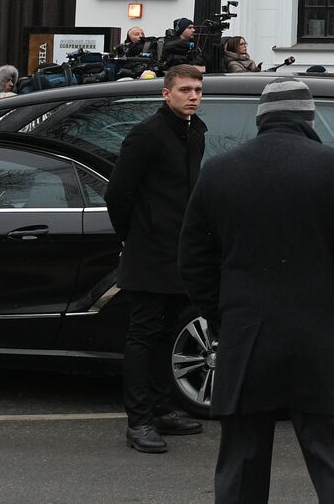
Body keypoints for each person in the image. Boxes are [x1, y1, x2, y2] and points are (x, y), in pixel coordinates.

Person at [179, 79, 334, 504]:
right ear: (309, 118)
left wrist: (222, 315)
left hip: (245, 334)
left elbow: (193, 259)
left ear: (261, 118)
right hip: (318, 333)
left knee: (241, 463)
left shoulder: (219, 170)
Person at [105, 64, 208, 454]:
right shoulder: (146, 134)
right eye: (185, 89)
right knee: (144, 335)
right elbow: (118, 193)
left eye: (198, 89)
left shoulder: (195, 133)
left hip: (182, 252)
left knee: (169, 333)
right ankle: (140, 420)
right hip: (149, 252)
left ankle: (163, 408)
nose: (193, 95)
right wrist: (132, 236)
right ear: (166, 93)